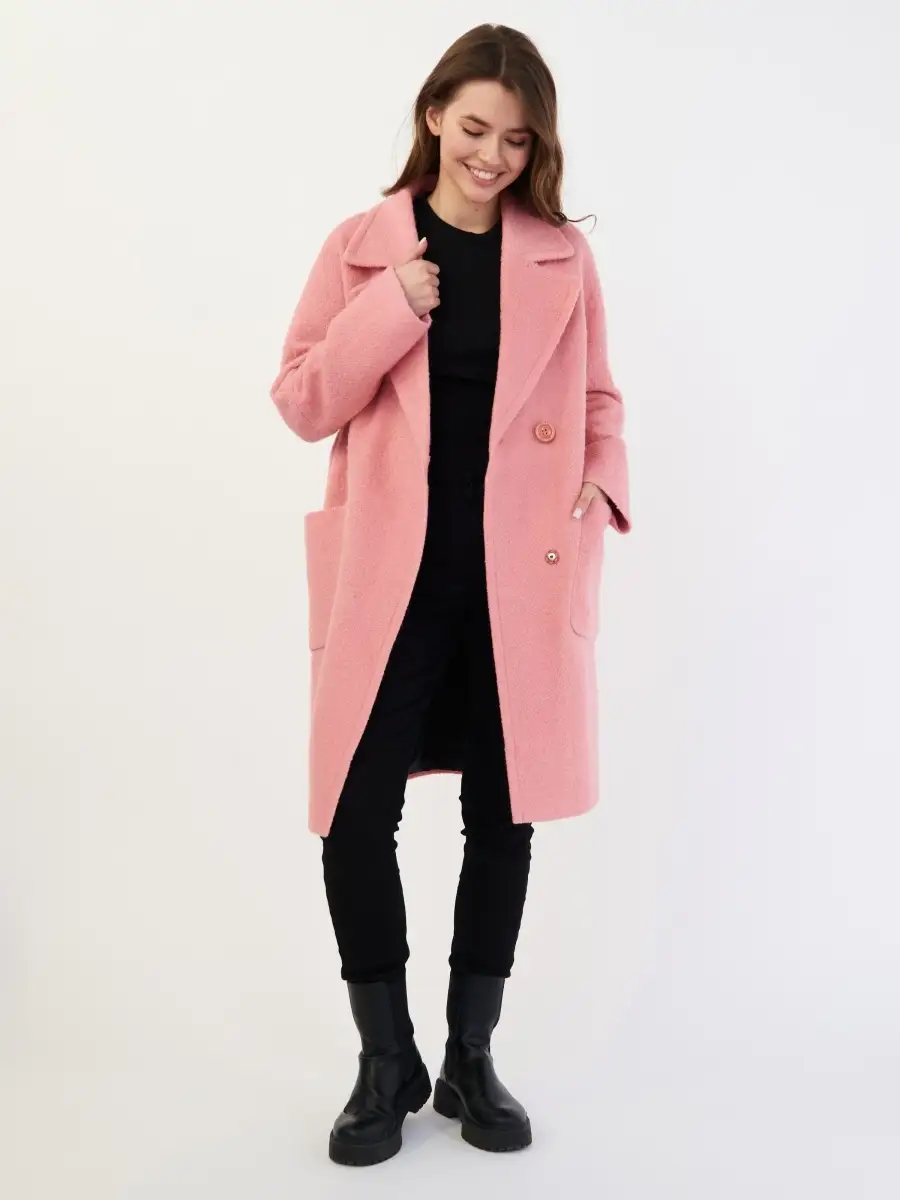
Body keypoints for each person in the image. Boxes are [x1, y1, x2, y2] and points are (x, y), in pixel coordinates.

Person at [269, 23, 632, 1168]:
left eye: (517, 140)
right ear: (434, 115)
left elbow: (601, 402)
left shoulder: (561, 259)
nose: (492, 156)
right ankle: (387, 1061)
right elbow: (301, 401)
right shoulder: (362, 248)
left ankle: (471, 1056)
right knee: (352, 814)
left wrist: (602, 487)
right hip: (392, 578)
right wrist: (393, 305)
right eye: (475, 127)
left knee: (502, 815)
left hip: (517, 578)